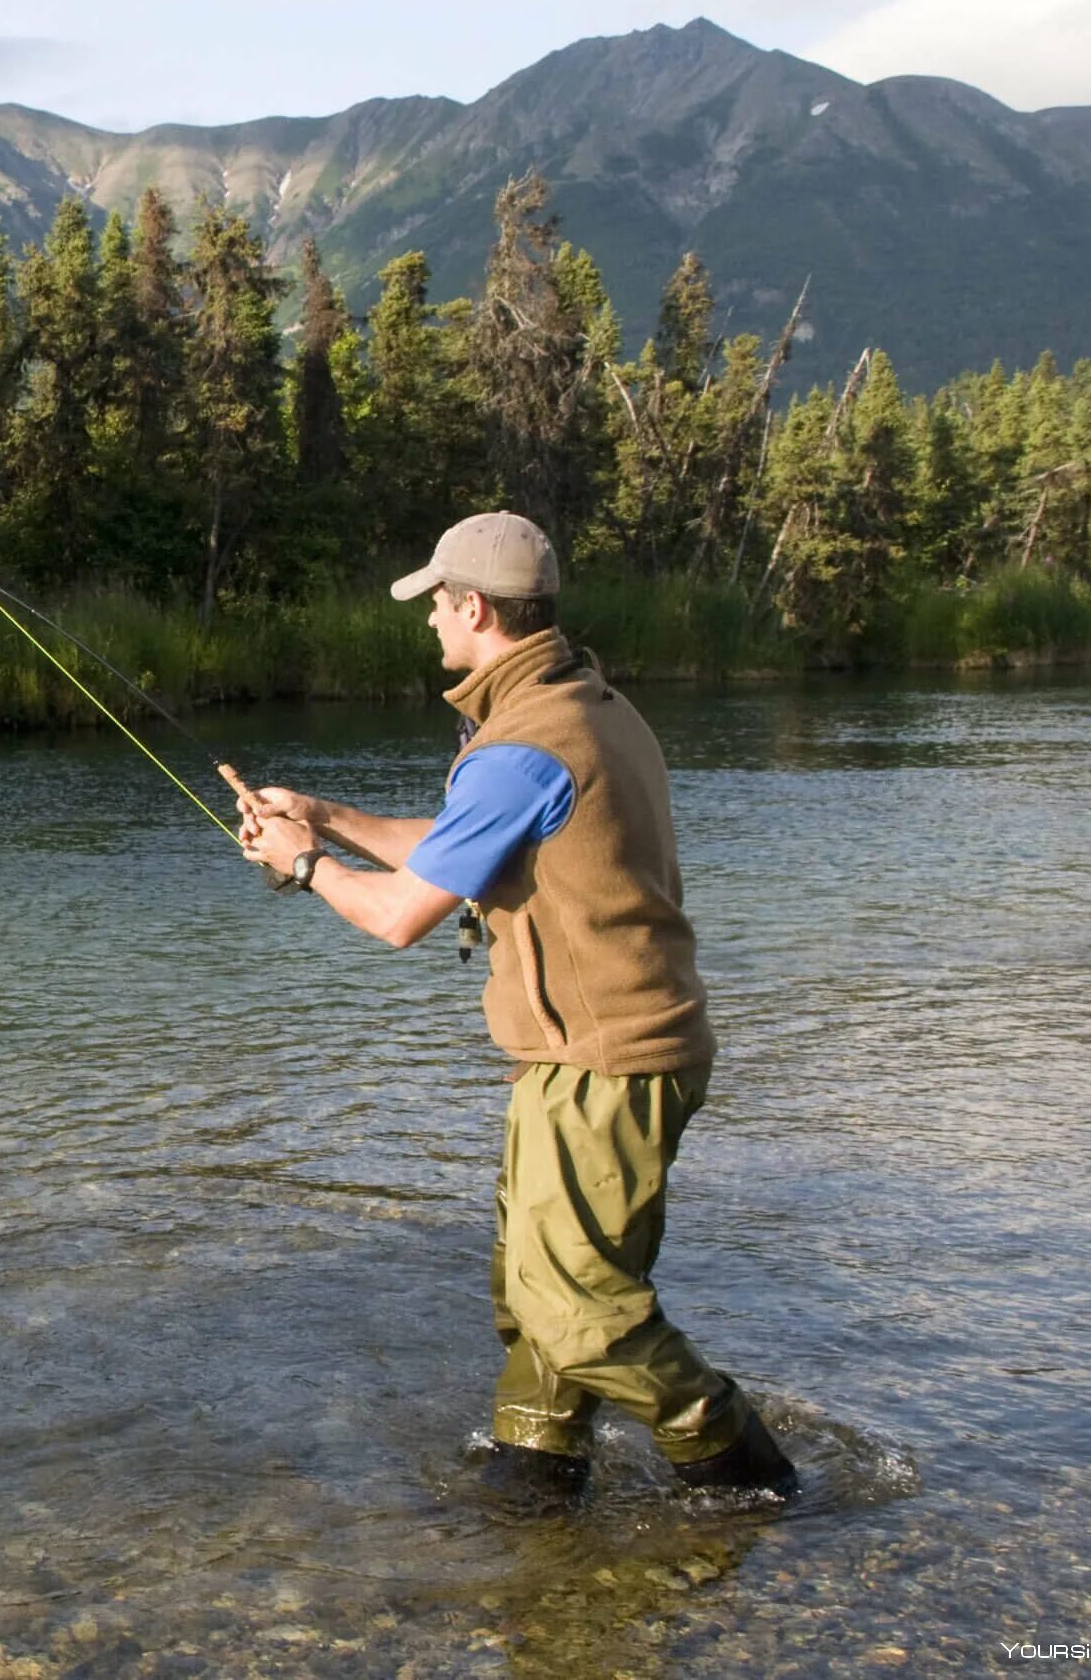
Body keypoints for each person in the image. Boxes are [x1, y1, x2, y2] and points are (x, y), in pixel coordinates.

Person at [232, 511, 798, 1504]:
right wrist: (327, 814)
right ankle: (535, 1468)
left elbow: (402, 915)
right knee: (531, 1282)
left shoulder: (525, 745)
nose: (429, 623)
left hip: (608, 1060)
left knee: (575, 1303)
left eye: (437, 604)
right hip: (592, 1053)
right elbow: (465, 843)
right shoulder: (581, 703)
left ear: (478, 607)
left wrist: (306, 863)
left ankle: (744, 1470)